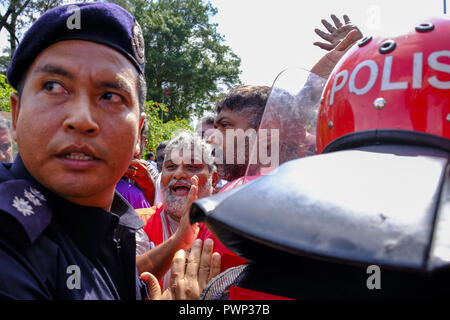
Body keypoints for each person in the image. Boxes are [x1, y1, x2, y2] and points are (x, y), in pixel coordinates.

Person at [195, 17, 450, 299]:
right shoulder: (250, 203)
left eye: (226, 126)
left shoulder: (254, 209)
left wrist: (363, 67)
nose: (213, 139)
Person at [0, 2, 216, 301]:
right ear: (16, 113)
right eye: (53, 87)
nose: (81, 119)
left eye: (110, 96)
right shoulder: (9, 243)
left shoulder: (113, 225)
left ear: (140, 135)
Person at [138, 131, 220, 291]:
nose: (179, 173)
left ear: (214, 179)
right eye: (171, 167)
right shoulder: (138, 222)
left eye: (192, 167)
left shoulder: (227, 229)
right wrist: (179, 241)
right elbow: (119, 279)